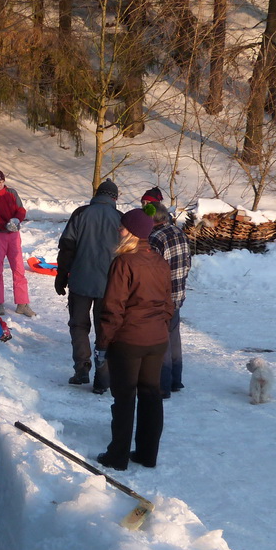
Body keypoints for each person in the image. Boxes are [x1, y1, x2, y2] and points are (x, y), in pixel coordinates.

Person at [95, 209, 174, 472]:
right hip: (156, 340)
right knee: (151, 395)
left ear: (132, 232)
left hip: (128, 341)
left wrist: (103, 343)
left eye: (123, 227)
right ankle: (147, 454)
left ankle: (117, 456)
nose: (119, 230)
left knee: (125, 397)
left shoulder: (124, 262)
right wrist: (159, 327)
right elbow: (168, 304)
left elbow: (112, 308)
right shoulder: (159, 262)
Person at [54, 179, 122, 394]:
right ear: (115, 198)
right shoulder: (120, 218)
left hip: (80, 281)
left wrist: (61, 275)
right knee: (105, 329)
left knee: (78, 325)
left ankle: (82, 367)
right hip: (109, 286)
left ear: (97, 194)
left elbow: (67, 246)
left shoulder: (81, 213)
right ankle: (102, 376)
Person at [147, 200, 191, 398]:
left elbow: (152, 271)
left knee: (160, 340)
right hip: (177, 294)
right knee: (173, 337)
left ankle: (162, 385)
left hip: (161, 296)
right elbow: (188, 262)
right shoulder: (179, 232)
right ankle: (175, 379)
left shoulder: (155, 238)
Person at [0, 161, 35, 317]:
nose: (1, 184)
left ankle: (22, 303)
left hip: (14, 236)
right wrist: (6, 225)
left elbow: (21, 209)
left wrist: (17, 219)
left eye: (2, 181)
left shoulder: (12, 192)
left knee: (19, 268)